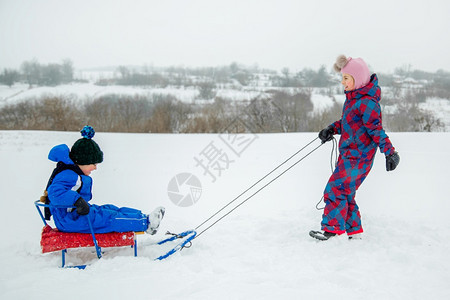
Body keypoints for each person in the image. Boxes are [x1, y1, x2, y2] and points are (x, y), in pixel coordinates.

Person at [309, 55, 400, 241]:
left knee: (335, 189)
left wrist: (390, 152)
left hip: (359, 157)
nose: (342, 82)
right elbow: (348, 123)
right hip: (349, 155)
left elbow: (376, 130)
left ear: (357, 79)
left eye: (346, 78)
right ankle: (355, 232)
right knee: (345, 192)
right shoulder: (354, 100)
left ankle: (332, 231)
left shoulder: (367, 102)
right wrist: (331, 129)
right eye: (342, 78)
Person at [45, 125, 165, 234]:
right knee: (109, 218)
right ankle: (146, 224)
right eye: (93, 164)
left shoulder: (72, 173)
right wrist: (77, 200)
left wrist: (79, 203)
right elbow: (54, 192)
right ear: (82, 162)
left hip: (75, 216)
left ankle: (144, 218)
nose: (95, 168)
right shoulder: (69, 175)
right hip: (70, 221)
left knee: (110, 209)